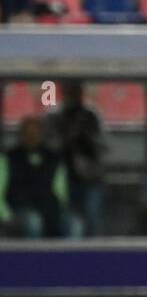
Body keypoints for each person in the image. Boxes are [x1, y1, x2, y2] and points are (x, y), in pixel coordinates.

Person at [44, 80, 105, 238]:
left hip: (90, 175)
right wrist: (68, 138)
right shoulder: (54, 116)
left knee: (92, 218)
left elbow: (103, 144)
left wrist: (85, 138)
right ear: (63, 92)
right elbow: (50, 146)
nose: (73, 95)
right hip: (62, 177)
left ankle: (93, 254)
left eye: (76, 91)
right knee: (67, 220)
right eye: (69, 91)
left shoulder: (91, 115)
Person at [1, 115, 67, 237]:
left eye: (36, 132)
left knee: (74, 223)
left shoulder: (53, 158)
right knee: (34, 221)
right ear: (21, 135)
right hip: (18, 208)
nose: (32, 136)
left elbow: (61, 192)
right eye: (28, 132)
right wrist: (6, 216)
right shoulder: (8, 158)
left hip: (48, 208)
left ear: (42, 134)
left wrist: (61, 210)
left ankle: (70, 257)